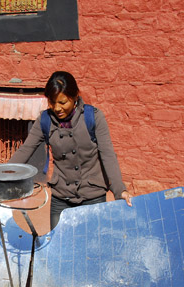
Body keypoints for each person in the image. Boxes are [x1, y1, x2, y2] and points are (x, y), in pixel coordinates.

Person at [9, 71, 132, 230]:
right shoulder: (45, 120)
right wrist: (3, 175)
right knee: (60, 248)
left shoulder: (93, 117)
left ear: (75, 97)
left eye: (62, 102)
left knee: (92, 247)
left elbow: (107, 154)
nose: (57, 108)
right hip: (62, 198)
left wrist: (119, 189)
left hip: (92, 196)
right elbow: (26, 149)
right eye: (52, 102)